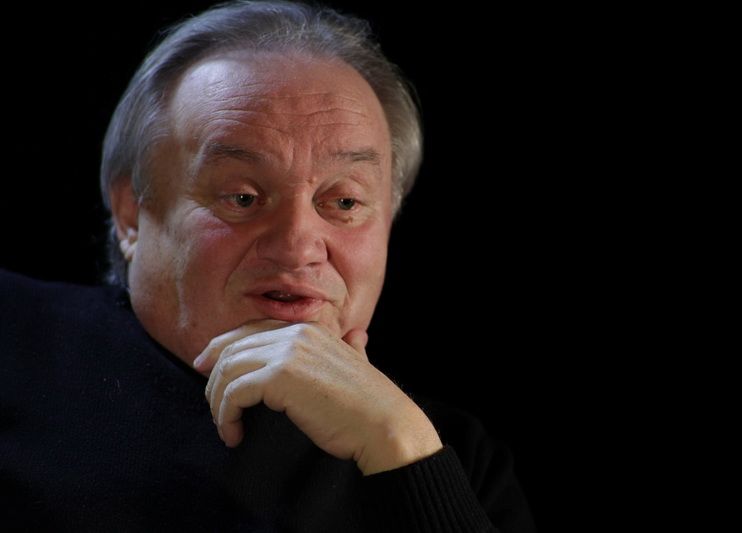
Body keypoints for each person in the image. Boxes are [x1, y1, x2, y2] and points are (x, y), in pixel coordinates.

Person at [0, 1, 535, 531]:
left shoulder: (450, 456)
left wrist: (403, 451)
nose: (298, 247)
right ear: (131, 213)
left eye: (344, 202)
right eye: (243, 198)